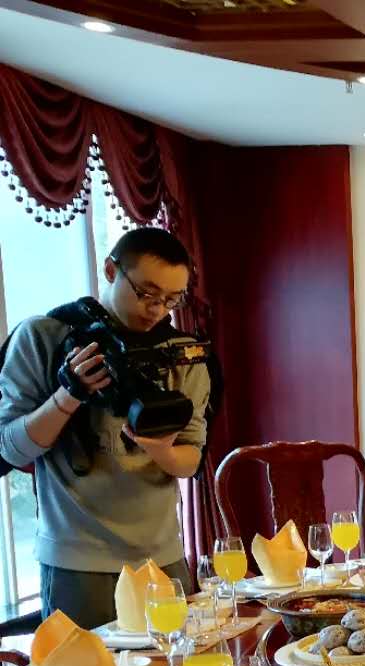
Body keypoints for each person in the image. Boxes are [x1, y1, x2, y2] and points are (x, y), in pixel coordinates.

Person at [0, 226, 210, 629]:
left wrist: (162, 450)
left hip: (163, 557)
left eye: (172, 299)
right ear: (111, 270)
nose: (157, 310)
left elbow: (191, 459)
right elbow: (11, 448)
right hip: (78, 563)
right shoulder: (44, 338)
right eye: (147, 293)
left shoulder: (181, 352)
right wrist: (69, 395)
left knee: (174, 665)